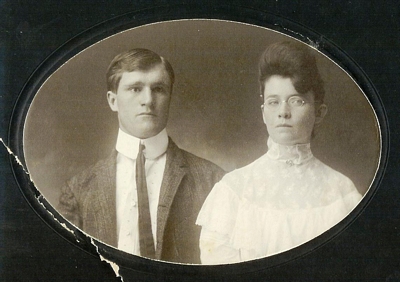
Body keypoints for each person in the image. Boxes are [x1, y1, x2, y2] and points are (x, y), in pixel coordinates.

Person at [196, 41, 362, 264]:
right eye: (274, 102)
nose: (283, 112)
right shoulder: (234, 190)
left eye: (296, 100)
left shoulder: (343, 193)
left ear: (319, 112)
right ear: (264, 113)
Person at [58, 48, 224, 264]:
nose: (148, 99)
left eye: (159, 89)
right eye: (135, 89)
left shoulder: (213, 181)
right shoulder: (78, 190)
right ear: (113, 101)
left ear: (170, 97)